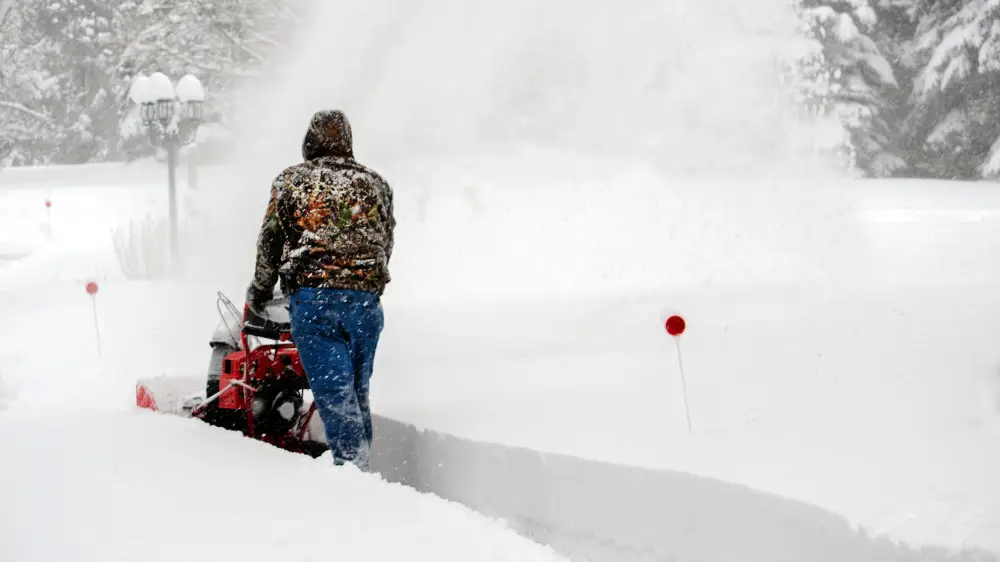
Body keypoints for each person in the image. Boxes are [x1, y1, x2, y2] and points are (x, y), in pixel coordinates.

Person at [245, 109, 395, 470]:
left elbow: (270, 242)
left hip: (316, 302)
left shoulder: (291, 182)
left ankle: (352, 473)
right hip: (365, 303)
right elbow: (386, 240)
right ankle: (360, 470)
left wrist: (260, 291)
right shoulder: (376, 184)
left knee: (335, 396)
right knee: (356, 393)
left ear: (309, 142)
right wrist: (361, 279)